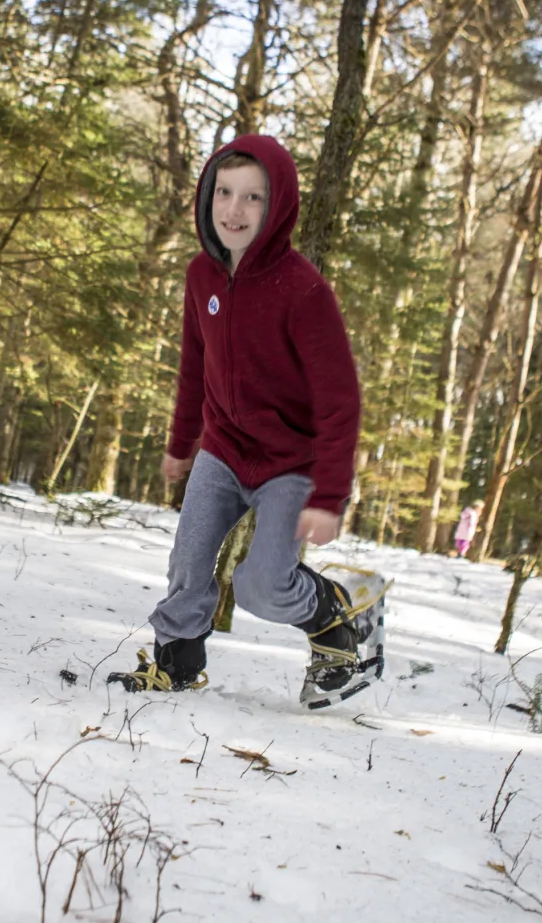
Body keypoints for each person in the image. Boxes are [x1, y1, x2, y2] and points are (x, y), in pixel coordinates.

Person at [110, 134, 361, 701]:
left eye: (253, 197)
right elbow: (194, 367)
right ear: (206, 195)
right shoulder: (202, 276)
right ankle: (175, 661)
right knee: (188, 562)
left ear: (278, 206)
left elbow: (339, 399)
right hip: (222, 452)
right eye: (224, 192)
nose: (234, 209)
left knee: (261, 587)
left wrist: (329, 496)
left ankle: (329, 615)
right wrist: (181, 443)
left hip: (290, 464)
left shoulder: (304, 292)